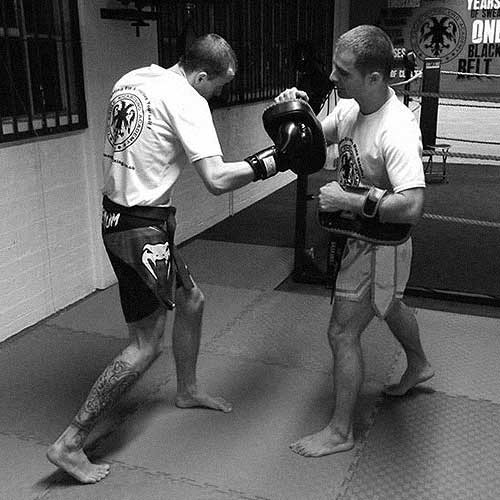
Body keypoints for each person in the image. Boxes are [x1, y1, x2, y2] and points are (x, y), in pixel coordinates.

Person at [46, 33, 325, 483]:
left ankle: (188, 389)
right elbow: (216, 180)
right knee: (145, 345)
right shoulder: (189, 101)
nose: (218, 95)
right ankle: (71, 443)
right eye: (218, 86)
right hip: (141, 231)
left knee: (192, 300)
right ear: (200, 76)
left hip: (126, 216)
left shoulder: (134, 79)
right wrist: (274, 162)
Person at [276, 25, 434, 458]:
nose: (333, 77)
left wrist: (348, 199)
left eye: (342, 72)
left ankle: (341, 432)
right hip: (361, 236)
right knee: (391, 305)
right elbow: (315, 137)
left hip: (383, 247)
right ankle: (420, 364)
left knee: (342, 332)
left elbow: (413, 205)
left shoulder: (396, 130)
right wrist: (294, 111)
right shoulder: (351, 109)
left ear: (374, 78)